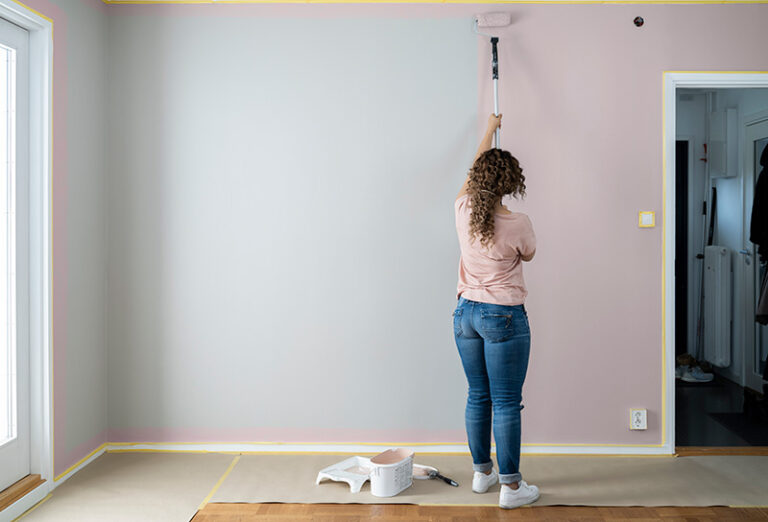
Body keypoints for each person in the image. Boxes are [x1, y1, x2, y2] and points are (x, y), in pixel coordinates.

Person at [453, 113, 539, 509]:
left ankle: (481, 473)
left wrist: (488, 130)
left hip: (465, 314)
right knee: (506, 400)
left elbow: (472, 175)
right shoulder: (518, 222)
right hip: (502, 315)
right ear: (511, 183)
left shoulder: (463, 209)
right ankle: (511, 487)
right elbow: (530, 254)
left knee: (478, 395)